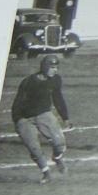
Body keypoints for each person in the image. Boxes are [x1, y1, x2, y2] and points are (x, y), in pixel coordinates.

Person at [11, 54, 70, 183]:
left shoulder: (56, 80)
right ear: (44, 67)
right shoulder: (29, 82)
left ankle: (57, 157)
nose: (55, 70)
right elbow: (18, 102)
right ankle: (46, 173)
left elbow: (58, 98)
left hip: (44, 113)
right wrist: (18, 120)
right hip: (25, 117)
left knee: (59, 142)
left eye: (56, 67)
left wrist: (65, 117)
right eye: (52, 67)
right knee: (34, 147)